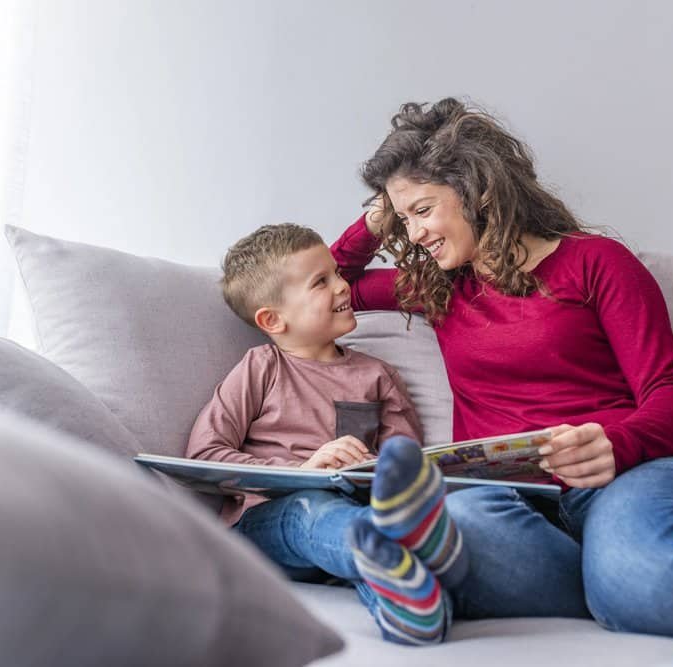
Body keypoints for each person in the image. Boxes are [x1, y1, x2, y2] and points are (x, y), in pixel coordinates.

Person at [330, 97, 673, 653]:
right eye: (404, 218)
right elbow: (331, 290)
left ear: (479, 190)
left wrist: (614, 443)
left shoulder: (596, 263)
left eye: (422, 210)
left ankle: (629, 581)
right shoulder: (440, 289)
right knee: (458, 515)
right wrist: (376, 219)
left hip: (624, 480)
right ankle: (605, 584)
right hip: (509, 502)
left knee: (650, 582)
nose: (414, 233)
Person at [185, 223, 474, 645]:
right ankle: (396, 556)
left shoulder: (376, 376)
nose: (343, 287)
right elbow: (204, 455)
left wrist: (374, 474)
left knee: (368, 525)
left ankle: (417, 611)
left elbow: (404, 466)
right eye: (322, 281)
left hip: (355, 515)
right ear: (272, 319)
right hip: (269, 521)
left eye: (337, 273)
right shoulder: (261, 367)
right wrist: (301, 469)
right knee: (311, 511)